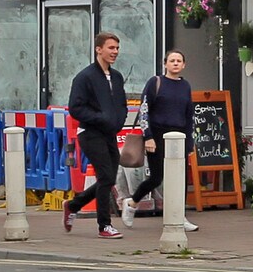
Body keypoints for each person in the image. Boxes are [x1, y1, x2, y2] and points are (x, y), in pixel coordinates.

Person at [121, 50, 198, 232]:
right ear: (165, 64)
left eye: (179, 61)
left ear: (184, 65)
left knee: (182, 178)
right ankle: (132, 203)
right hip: (157, 135)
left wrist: (189, 142)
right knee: (157, 177)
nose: (176, 64)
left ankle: (179, 216)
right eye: (172, 60)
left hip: (179, 135)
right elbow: (144, 110)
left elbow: (189, 115)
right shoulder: (155, 82)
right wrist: (148, 136)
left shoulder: (185, 86)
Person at [64, 32, 127, 238]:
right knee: (106, 176)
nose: (115, 52)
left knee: (108, 179)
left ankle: (73, 205)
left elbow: (121, 104)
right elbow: (75, 108)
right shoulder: (85, 77)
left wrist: (118, 120)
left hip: (109, 133)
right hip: (90, 133)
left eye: (117, 48)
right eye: (111, 48)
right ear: (98, 49)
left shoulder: (116, 77)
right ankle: (104, 226)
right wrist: (101, 118)